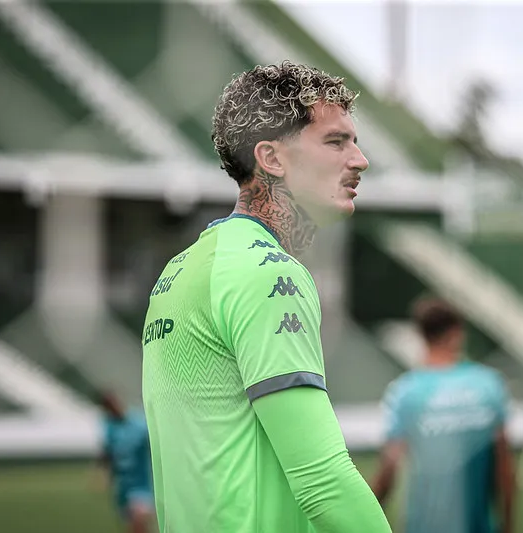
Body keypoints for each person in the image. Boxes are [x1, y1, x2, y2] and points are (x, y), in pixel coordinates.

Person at [141, 61, 391, 533]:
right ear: (272, 159)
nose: (360, 160)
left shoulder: (180, 270)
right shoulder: (268, 271)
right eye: (336, 141)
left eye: (355, 141)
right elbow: (322, 479)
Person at [371, 296, 515, 533]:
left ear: (420, 335)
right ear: (458, 333)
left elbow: (389, 470)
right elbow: (504, 469)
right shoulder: (489, 385)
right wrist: (508, 525)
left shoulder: (405, 391)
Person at [97, 390, 153, 533]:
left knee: (138, 521)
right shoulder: (109, 428)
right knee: (135, 527)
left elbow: (152, 445)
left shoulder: (138, 423)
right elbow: (108, 453)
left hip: (142, 486)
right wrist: (103, 474)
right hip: (123, 488)